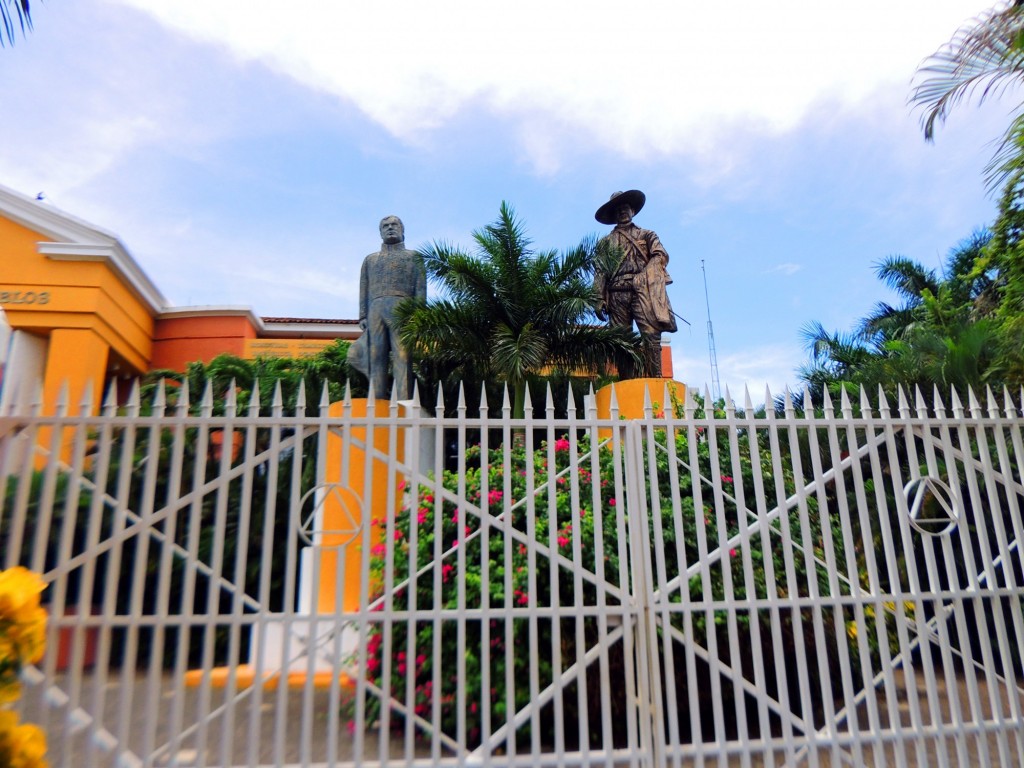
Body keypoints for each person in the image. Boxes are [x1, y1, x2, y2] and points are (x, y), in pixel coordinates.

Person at [593, 190, 677, 378]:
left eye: (625, 208)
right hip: (616, 293)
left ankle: (656, 378)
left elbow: (661, 255)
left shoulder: (647, 235)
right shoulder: (605, 243)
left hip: (642, 291)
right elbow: (600, 270)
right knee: (622, 340)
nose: (622, 212)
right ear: (614, 215)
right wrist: (598, 297)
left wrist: (646, 273)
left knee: (651, 335)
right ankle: (626, 380)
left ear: (632, 210)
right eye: (618, 210)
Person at [348, 216, 426, 400]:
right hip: (375, 309)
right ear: (380, 232)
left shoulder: (414, 257)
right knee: (376, 356)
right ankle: (377, 399)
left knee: (402, 355)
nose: (390, 228)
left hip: (402, 308)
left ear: (402, 230)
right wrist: (363, 315)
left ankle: (403, 400)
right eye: (385, 226)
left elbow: (421, 288)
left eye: (394, 225)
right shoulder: (370, 260)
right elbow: (364, 287)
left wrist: (419, 316)